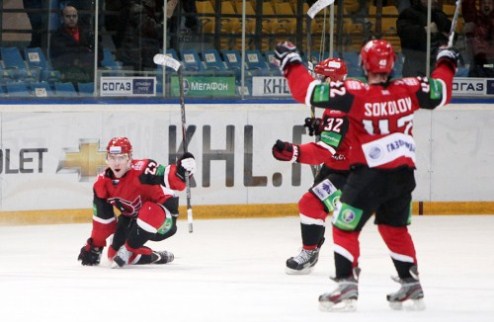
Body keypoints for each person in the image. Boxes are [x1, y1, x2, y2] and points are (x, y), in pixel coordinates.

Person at [273, 39, 458, 311]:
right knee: (393, 228)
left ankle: (346, 284)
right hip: (403, 175)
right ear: (393, 64)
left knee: (344, 226)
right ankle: (411, 283)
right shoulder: (409, 89)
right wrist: (446, 62)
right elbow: (441, 92)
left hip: (368, 175)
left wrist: (289, 60)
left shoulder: (354, 94)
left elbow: (306, 90)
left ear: (363, 63)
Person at [272, 58, 351, 275]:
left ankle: (309, 253)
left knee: (310, 203)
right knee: (315, 205)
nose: (316, 81)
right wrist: (322, 127)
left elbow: (322, 152)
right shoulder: (340, 100)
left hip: (350, 173)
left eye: (320, 77)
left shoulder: (337, 110)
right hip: (338, 166)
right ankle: (313, 248)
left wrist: (293, 152)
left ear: (330, 79)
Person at [77, 137, 196, 268]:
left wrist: (181, 172)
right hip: (133, 220)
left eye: (121, 158)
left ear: (129, 158)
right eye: (112, 158)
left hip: (162, 220)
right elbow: (103, 220)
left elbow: (169, 177)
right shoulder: (102, 183)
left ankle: (129, 248)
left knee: (148, 210)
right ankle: (156, 256)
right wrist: (95, 245)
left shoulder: (143, 169)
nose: (116, 163)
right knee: (113, 255)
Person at [397, 0, 451, 77]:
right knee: (415, 87)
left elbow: (451, 35)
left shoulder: (439, 15)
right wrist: (425, 30)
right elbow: (404, 32)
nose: (434, 1)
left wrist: (440, 33)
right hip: (415, 60)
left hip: (435, 60)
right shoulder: (409, 13)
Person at [49, 5, 101, 84]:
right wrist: (84, 50)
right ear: (62, 18)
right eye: (68, 16)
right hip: (67, 68)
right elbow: (62, 53)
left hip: (86, 66)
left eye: (74, 16)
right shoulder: (57, 35)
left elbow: (99, 51)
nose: (71, 19)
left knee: (101, 74)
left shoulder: (86, 33)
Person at [116, 0, 164, 70]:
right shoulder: (138, 10)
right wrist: (166, 17)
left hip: (143, 55)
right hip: (138, 57)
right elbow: (152, 30)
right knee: (139, 78)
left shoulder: (146, 10)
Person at [462, 0, 494, 77]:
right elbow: (467, 7)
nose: (486, 5)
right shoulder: (475, 19)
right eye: (484, 3)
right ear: (480, 5)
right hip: (477, 61)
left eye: (489, 3)